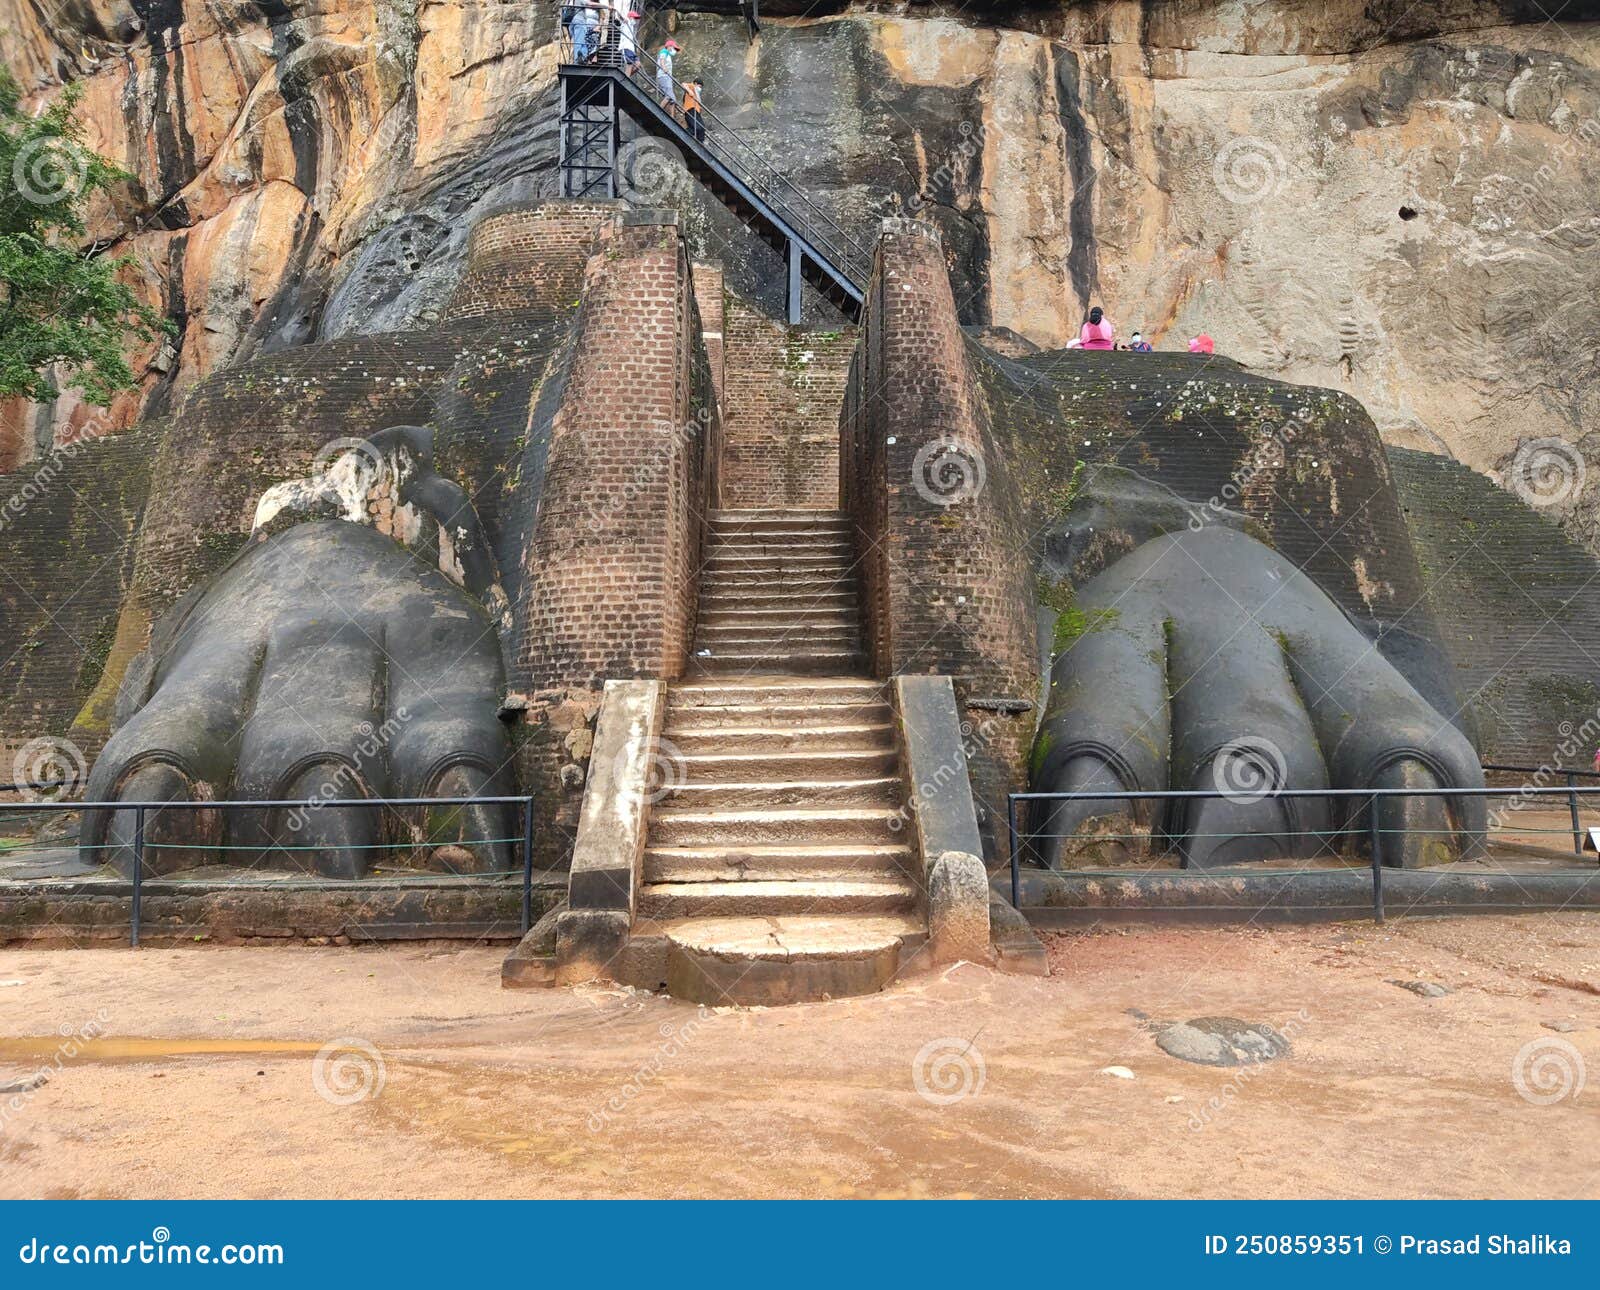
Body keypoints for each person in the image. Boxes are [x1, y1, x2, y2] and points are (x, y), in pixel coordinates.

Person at [656, 39, 680, 114]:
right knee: (669, 96)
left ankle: (672, 117)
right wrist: (664, 68)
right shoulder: (664, 51)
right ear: (669, 46)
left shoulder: (668, 55)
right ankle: (657, 112)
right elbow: (662, 60)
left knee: (672, 99)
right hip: (663, 76)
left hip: (667, 77)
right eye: (673, 48)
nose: (674, 50)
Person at [620, 9, 641, 76]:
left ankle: (625, 78)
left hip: (631, 48)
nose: (635, 19)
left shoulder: (631, 26)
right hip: (626, 46)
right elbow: (622, 19)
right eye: (634, 17)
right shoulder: (626, 22)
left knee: (638, 64)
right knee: (630, 64)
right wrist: (625, 19)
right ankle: (626, 78)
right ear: (630, 17)